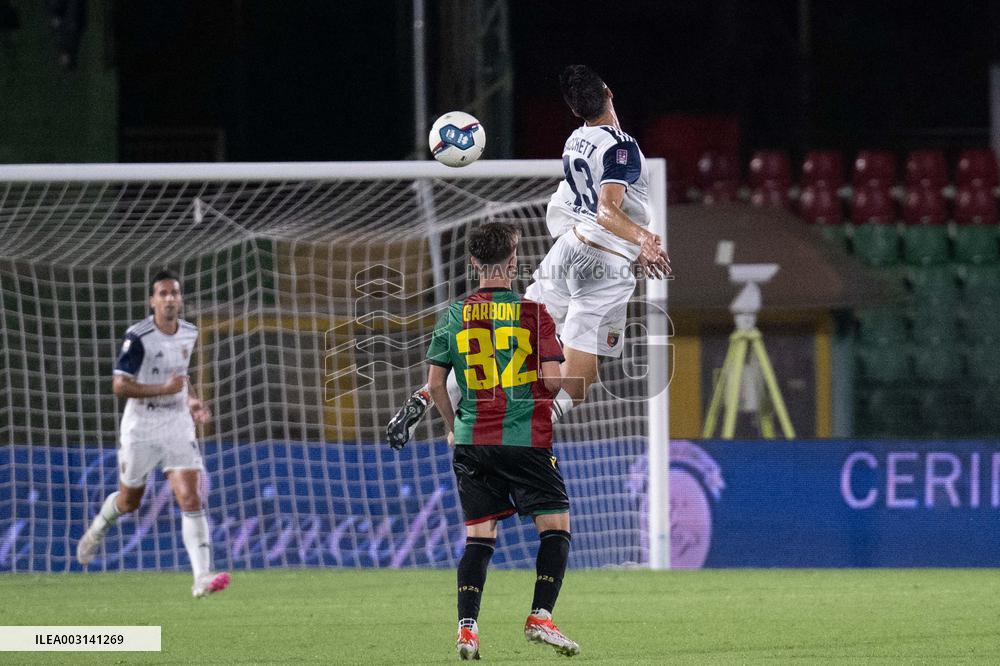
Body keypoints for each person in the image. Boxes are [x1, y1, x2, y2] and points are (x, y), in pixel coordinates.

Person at [386, 64, 670, 448]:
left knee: (511, 337)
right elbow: (607, 209)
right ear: (609, 92)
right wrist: (644, 239)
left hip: (568, 248)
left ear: (574, 110)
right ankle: (537, 421)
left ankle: (426, 394)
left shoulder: (575, 142)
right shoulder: (622, 147)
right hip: (605, 261)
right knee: (581, 370)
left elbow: (566, 208)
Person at [421, 222, 580, 659]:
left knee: (479, 538)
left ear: (473, 263)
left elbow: (435, 384)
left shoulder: (453, 315)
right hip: (525, 438)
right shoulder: (535, 314)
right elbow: (551, 381)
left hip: (473, 439)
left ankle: (467, 629)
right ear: (514, 263)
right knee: (556, 527)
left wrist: (454, 426)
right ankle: (540, 617)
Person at [76, 270, 230, 599]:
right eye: (163, 293)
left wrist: (192, 401)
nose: (170, 299)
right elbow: (119, 385)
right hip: (141, 425)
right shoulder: (139, 336)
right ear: (152, 301)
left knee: (191, 497)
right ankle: (98, 529)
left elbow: (182, 377)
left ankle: (201, 577)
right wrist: (163, 388)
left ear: (181, 299)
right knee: (129, 502)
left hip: (176, 423)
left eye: (175, 293)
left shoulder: (189, 332)